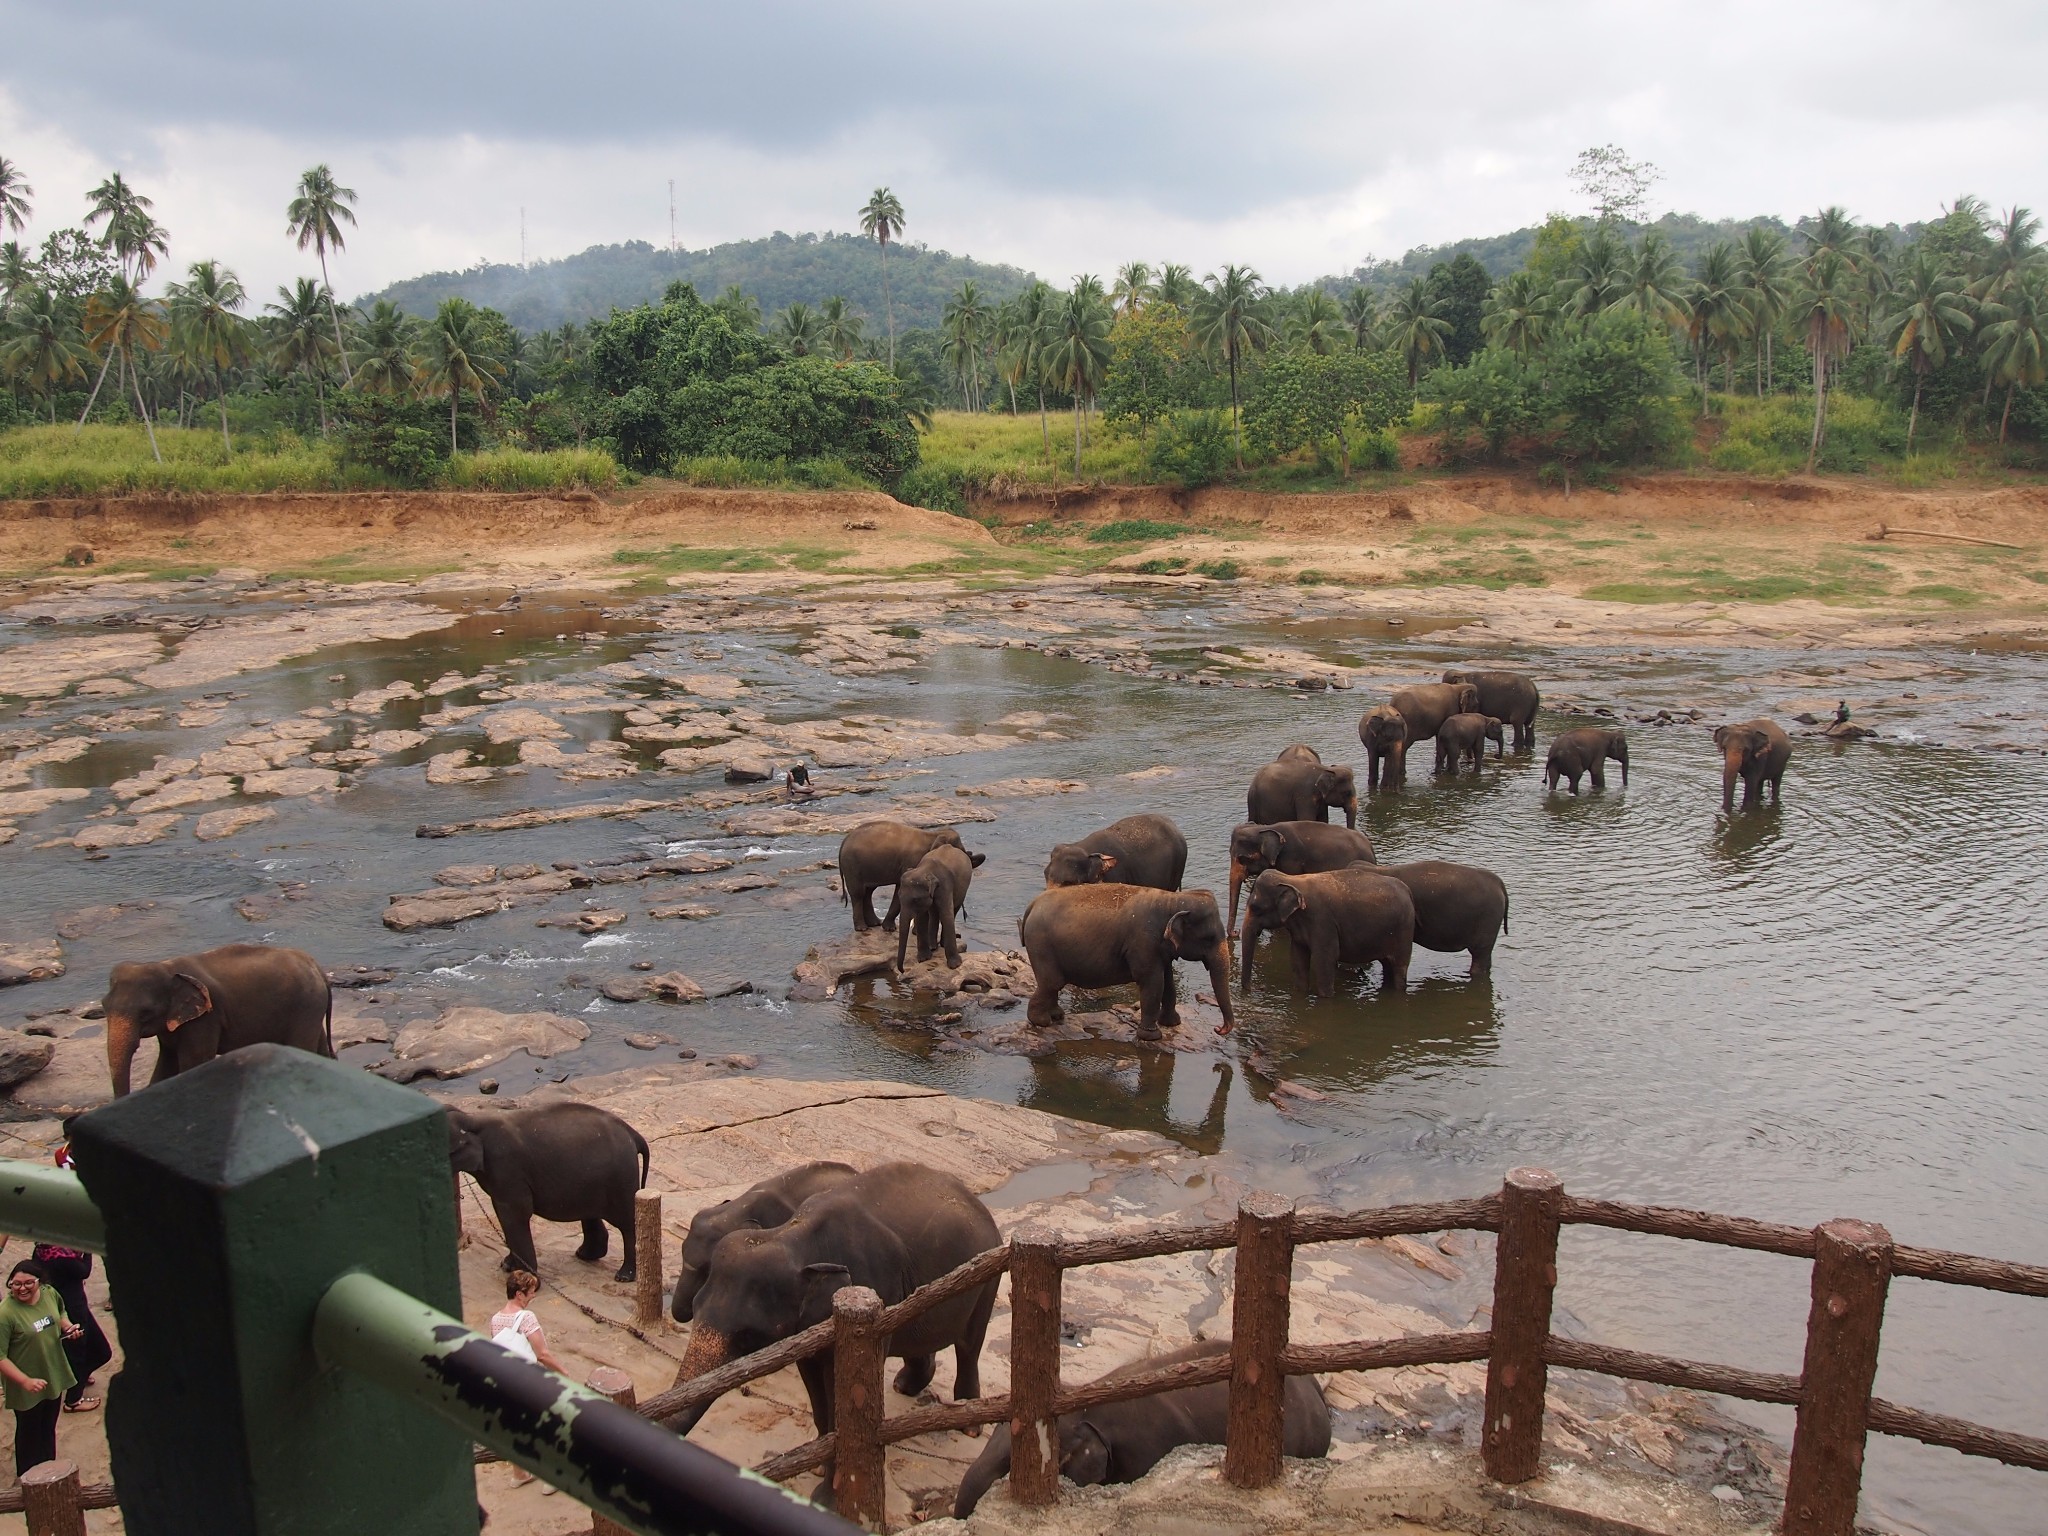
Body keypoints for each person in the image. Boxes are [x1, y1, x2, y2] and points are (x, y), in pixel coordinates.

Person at [35, 1137, 108, 1413]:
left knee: (92, 1348)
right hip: (69, 1307)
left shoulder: (44, 1250)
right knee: (85, 1349)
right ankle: (73, 1399)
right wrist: (84, 1246)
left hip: (66, 1302)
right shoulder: (61, 1256)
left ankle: (79, 1375)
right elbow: (83, 1270)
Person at [0, 1260, 79, 1476]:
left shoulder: (49, 1293)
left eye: (28, 1283)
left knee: (48, 1427)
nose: (22, 1288)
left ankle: (50, 1472)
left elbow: (60, 1312)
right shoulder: (6, 1314)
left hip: (52, 1372)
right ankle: (27, 1478)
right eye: (15, 1284)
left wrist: (68, 1327)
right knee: (29, 1432)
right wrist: (25, 1381)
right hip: (25, 1383)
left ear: (39, 1282)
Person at [488, 1270, 564, 1374]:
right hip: (525, 1375)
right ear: (519, 1294)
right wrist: (563, 1372)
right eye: (531, 1292)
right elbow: (542, 1355)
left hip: (503, 1374)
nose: (533, 1296)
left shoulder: (495, 1319)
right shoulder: (527, 1317)